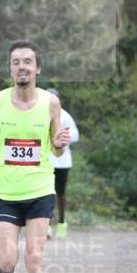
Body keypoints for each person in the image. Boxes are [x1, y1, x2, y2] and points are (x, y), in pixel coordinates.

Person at [0, 40, 71, 273]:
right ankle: (4, 266)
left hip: (40, 189)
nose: (22, 66)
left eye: (27, 62)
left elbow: (56, 149)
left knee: (34, 255)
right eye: (16, 61)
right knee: (8, 263)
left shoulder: (50, 103)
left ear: (38, 68)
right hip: (6, 190)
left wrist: (60, 142)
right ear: (10, 68)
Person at [45, 88, 79, 240]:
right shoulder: (41, 115)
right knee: (47, 192)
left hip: (63, 162)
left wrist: (62, 138)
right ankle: (46, 225)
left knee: (60, 193)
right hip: (47, 161)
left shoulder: (65, 116)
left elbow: (75, 135)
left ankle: (61, 222)